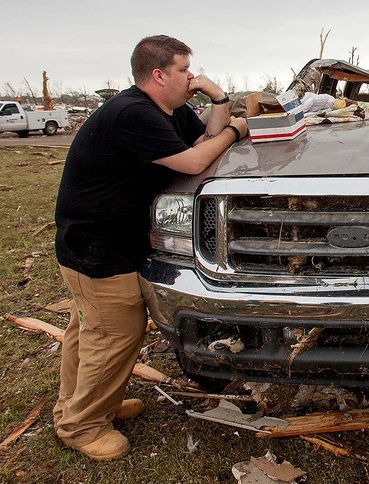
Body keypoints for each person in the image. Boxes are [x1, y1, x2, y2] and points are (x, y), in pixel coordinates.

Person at [52, 35, 248, 461]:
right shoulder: (132, 113)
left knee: (89, 331)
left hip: (101, 243)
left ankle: (81, 406)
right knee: (113, 335)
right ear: (158, 75)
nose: (191, 77)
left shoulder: (166, 113)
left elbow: (203, 140)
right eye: (184, 70)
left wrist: (220, 99)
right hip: (98, 250)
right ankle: (82, 426)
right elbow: (195, 161)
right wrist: (237, 129)